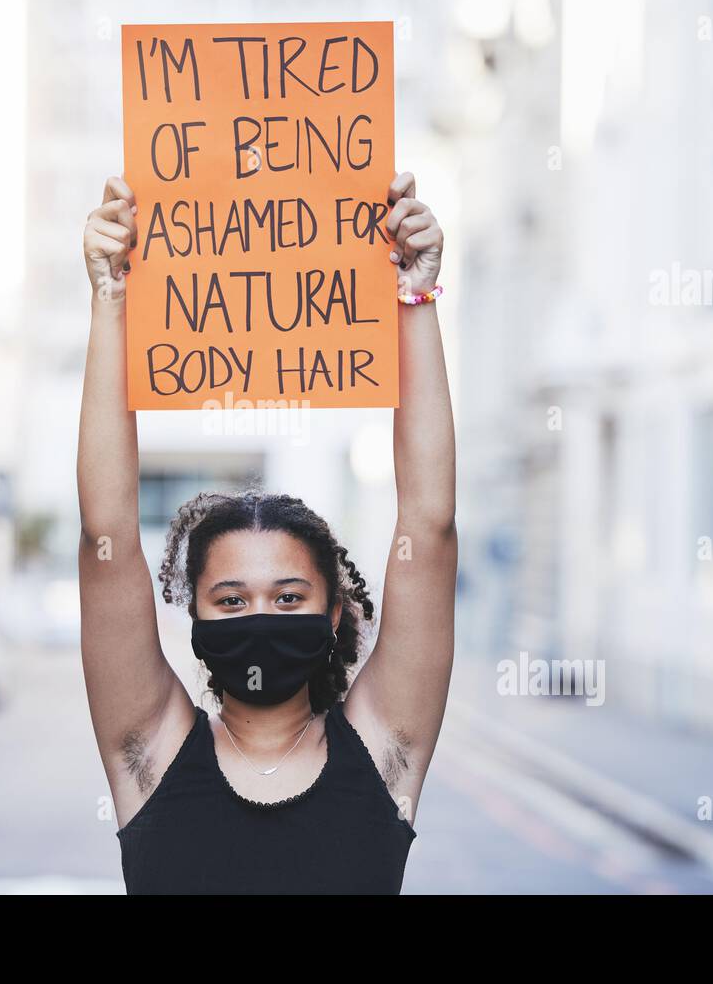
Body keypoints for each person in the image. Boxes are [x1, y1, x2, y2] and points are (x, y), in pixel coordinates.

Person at [77, 170, 456, 894]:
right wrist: (111, 297)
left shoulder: (384, 752)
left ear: (335, 611)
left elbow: (429, 528)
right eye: (230, 599)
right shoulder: (149, 754)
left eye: (287, 598)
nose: (259, 617)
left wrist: (416, 295)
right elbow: (107, 534)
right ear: (193, 614)